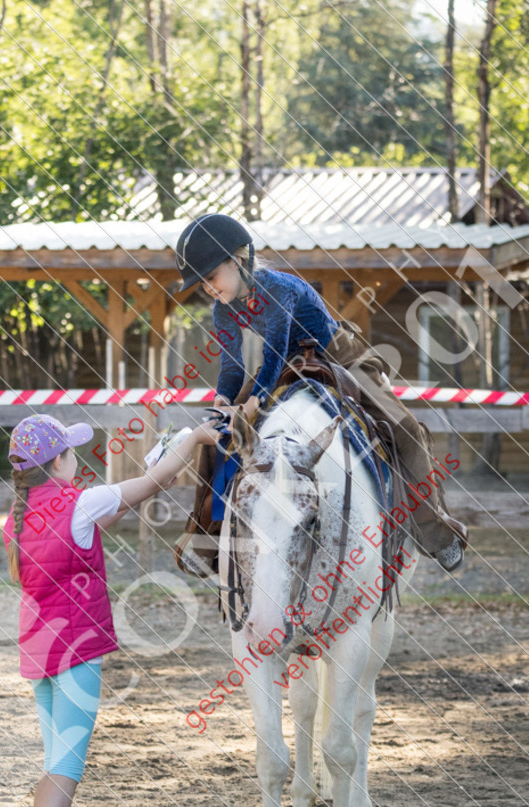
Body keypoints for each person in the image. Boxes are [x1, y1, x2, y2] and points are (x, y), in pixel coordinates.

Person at [2, 413, 218, 807]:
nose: (77, 459)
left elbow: (95, 525)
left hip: (36, 647)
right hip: (76, 647)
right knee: (67, 766)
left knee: (56, 759)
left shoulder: (16, 515)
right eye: (71, 452)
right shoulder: (79, 500)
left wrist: (156, 467)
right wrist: (195, 439)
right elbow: (155, 484)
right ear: (58, 461)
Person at [174, 213, 467, 571]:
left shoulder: (278, 290)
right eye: (202, 283)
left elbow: (273, 351)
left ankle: (435, 533)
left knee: (404, 427)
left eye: (211, 277)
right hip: (286, 365)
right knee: (218, 432)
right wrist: (223, 403)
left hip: (339, 355)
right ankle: (208, 534)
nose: (209, 288)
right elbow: (233, 366)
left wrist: (251, 403)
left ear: (238, 260)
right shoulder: (223, 310)